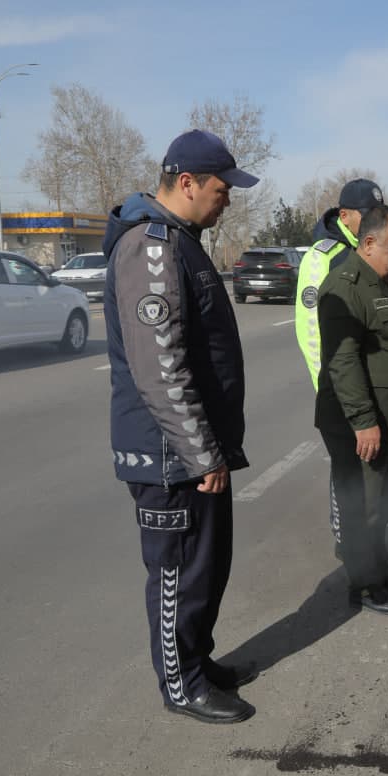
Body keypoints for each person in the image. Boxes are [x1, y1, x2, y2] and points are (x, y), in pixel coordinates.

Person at [104, 129, 258, 724]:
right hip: (169, 453)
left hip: (193, 448)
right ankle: (180, 682)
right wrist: (201, 453)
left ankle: (197, 658)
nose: (227, 201)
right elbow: (160, 366)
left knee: (206, 565)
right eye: (221, 190)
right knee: (176, 571)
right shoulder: (151, 246)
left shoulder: (180, 240)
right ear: (187, 182)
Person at [315, 206, 388, 617]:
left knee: (384, 502)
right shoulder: (344, 286)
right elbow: (343, 362)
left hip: (387, 419)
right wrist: (363, 421)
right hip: (360, 423)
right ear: (370, 243)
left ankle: (380, 572)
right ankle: (364, 586)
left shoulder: (380, 281)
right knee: (363, 505)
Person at [295, 178, 385, 388]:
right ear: (344, 216)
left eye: (378, 215)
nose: (375, 222)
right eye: (368, 215)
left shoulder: (371, 249)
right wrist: (327, 387)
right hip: (343, 383)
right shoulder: (322, 257)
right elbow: (311, 330)